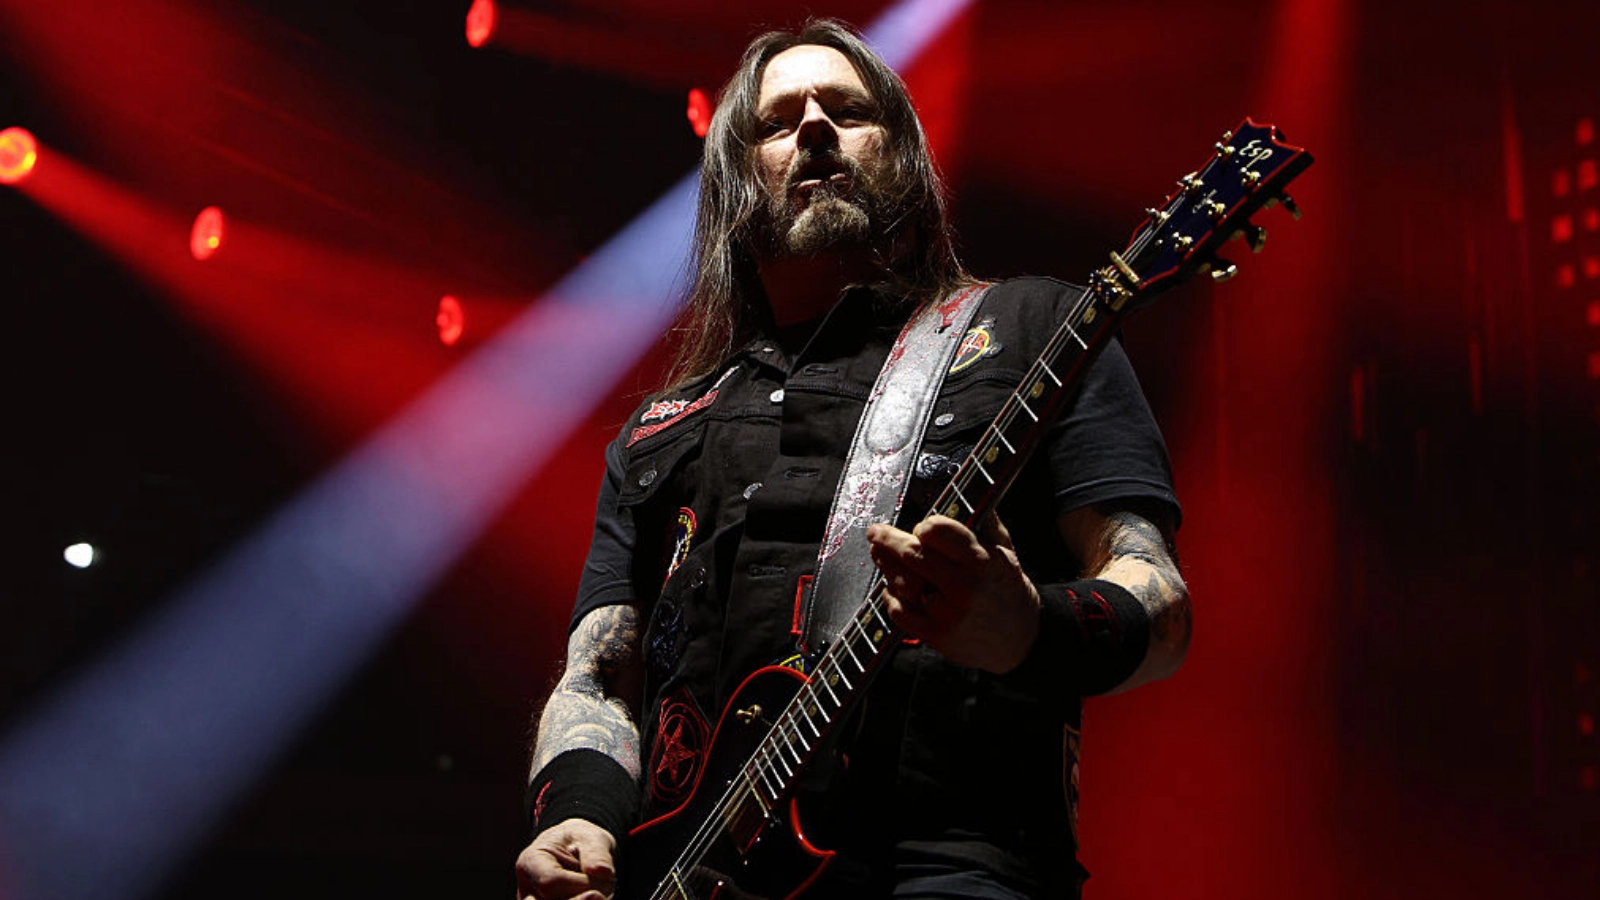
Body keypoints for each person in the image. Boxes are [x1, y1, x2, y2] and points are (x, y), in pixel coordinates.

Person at [514, 18, 1189, 900]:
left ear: (902, 153)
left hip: (949, 867)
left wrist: (1031, 629)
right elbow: (601, 674)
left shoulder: (1034, 332)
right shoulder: (660, 430)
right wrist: (576, 816)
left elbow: (1159, 602)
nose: (815, 128)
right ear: (735, 178)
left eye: (848, 110)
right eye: (778, 120)